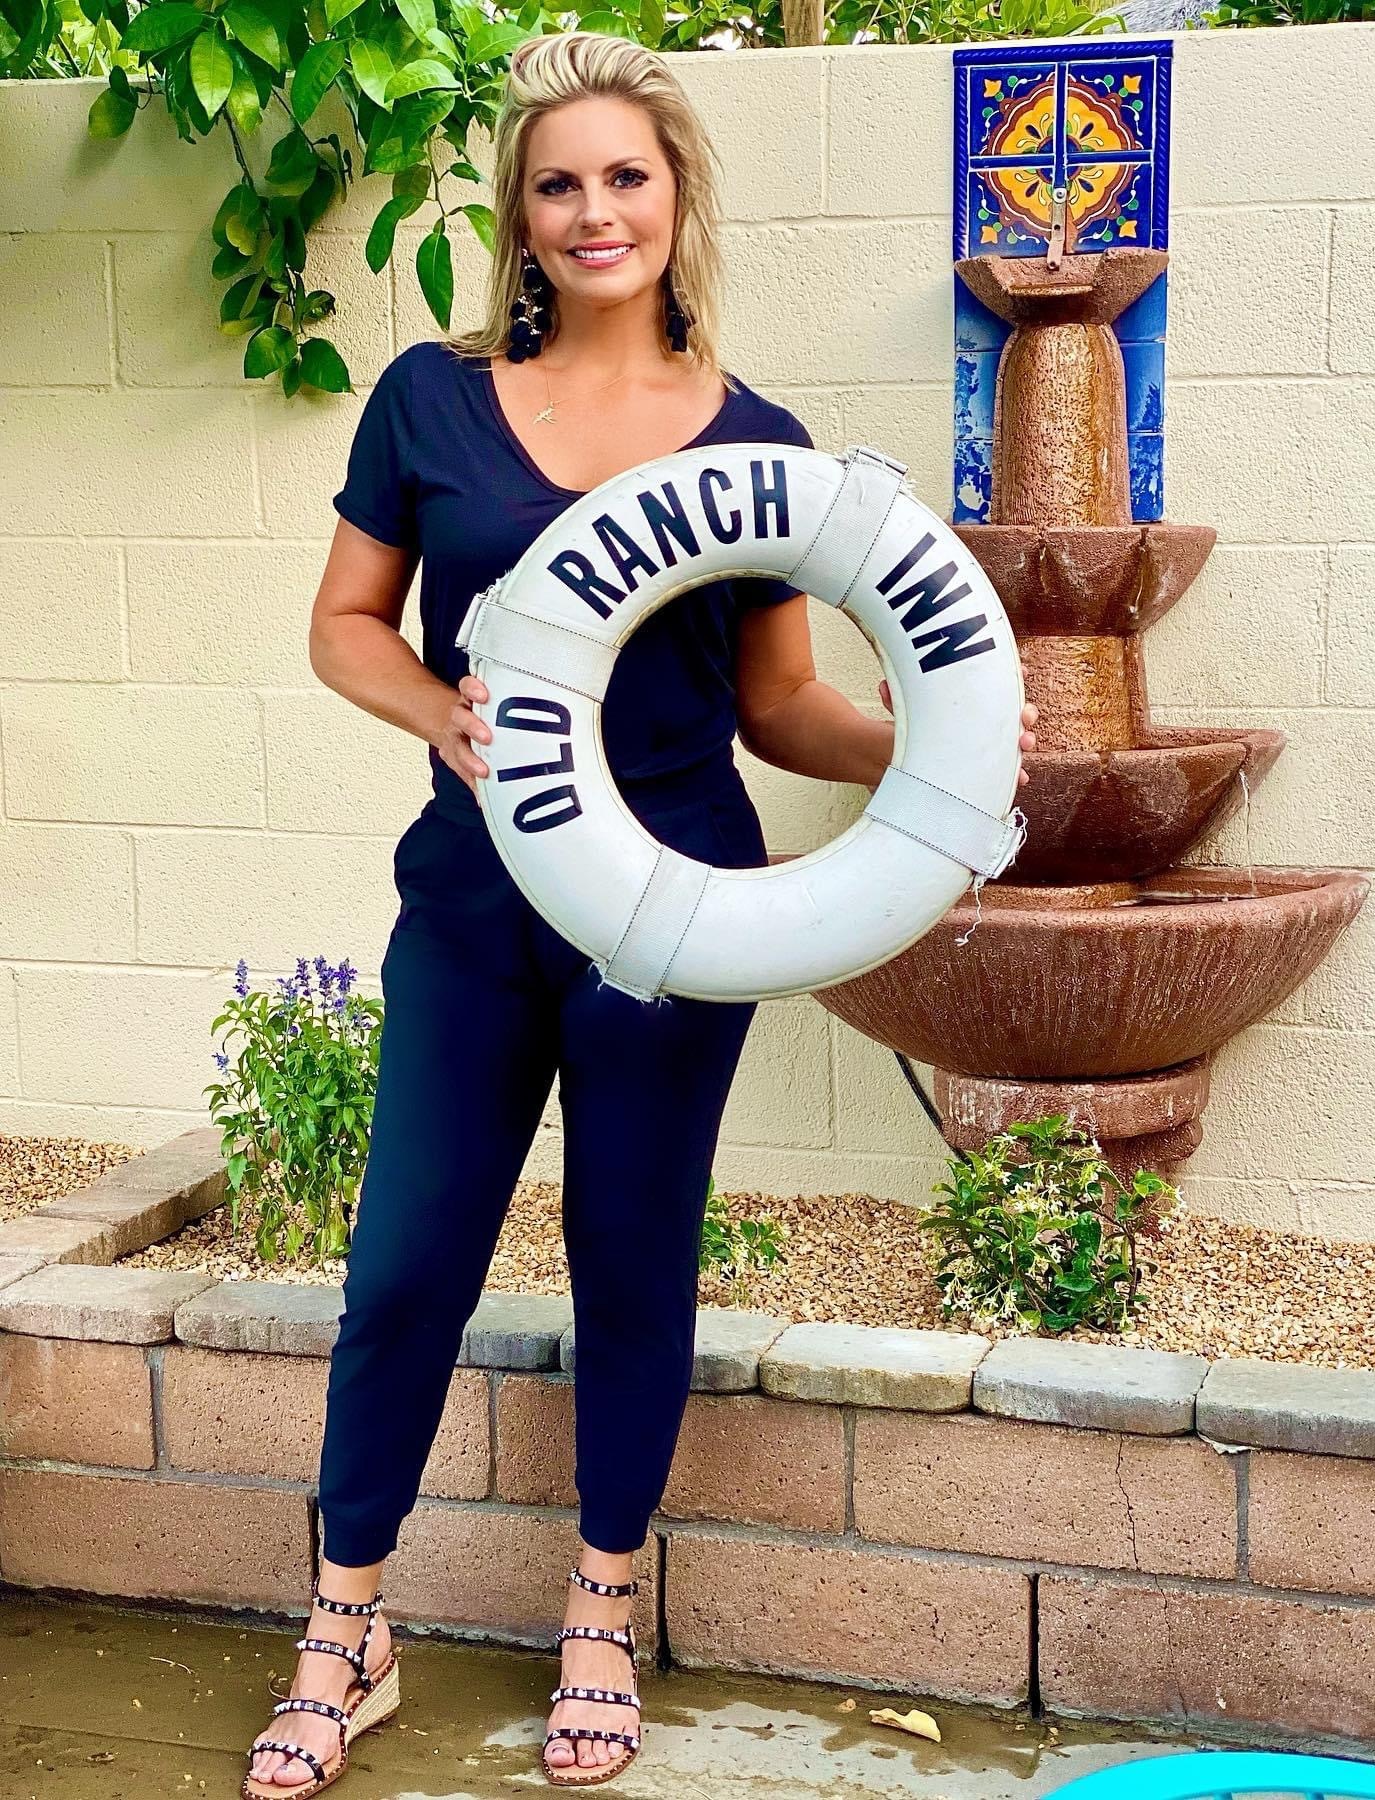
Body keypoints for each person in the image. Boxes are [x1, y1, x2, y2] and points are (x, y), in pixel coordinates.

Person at [243, 30, 1040, 1798]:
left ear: (678, 200)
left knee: (632, 1258)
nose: (593, 210)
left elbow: (783, 708)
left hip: (677, 905)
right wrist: (441, 713)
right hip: (480, 895)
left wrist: (939, 747)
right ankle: (346, 1625)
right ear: (519, 219)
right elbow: (347, 626)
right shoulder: (431, 403)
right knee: (405, 1263)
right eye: (557, 184)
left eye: (625, 175)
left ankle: (599, 1612)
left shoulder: (760, 447)